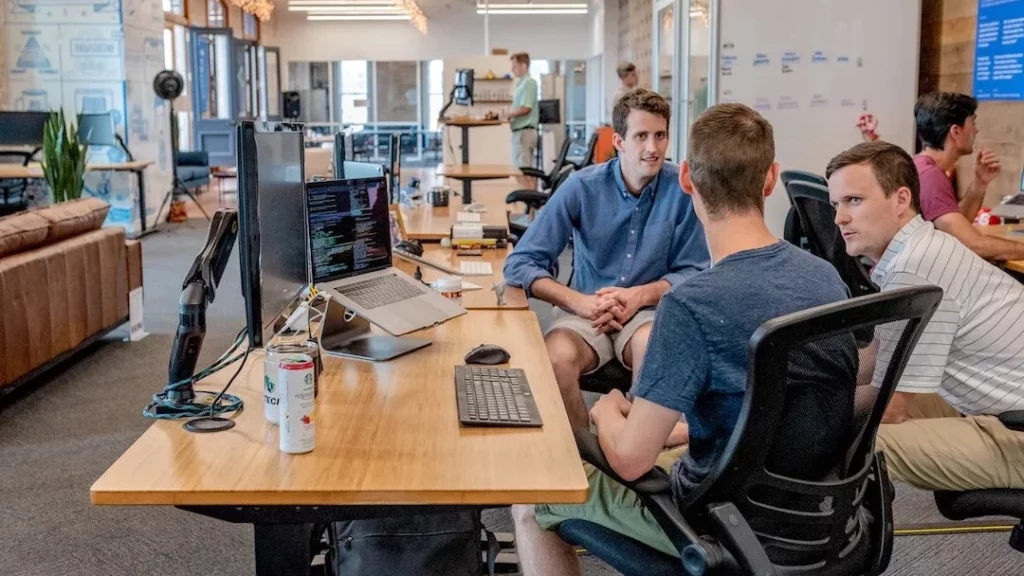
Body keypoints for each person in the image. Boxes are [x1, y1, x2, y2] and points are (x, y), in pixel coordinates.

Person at [511, 103, 857, 576]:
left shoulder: (691, 305)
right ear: (771, 178)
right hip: (821, 518)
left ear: (688, 178)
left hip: (717, 523)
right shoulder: (826, 279)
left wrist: (607, 411)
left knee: (529, 503)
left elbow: (632, 462)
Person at [502, 89, 709, 431]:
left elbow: (696, 272)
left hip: (647, 313)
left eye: (660, 136)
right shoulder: (581, 187)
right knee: (556, 358)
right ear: (618, 141)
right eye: (641, 136)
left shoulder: (682, 190)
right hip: (586, 311)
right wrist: (579, 303)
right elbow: (520, 263)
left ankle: (636, 455)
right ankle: (587, 458)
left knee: (653, 349)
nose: (653, 148)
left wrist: (638, 296)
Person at [826, 140, 1024, 492]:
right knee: (836, 410)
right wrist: (802, 386)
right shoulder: (919, 250)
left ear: (901, 199)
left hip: (1014, 433)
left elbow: (892, 408)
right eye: (836, 204)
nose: (840, 218)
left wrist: (790, 414)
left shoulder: (916, 267)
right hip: (999, 410)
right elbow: (878, 355)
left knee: (861, 440)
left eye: (854, 200)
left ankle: (822, 545)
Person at [912, 92, 1024, 260]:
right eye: (973, 122)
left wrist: (980, 183)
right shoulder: (930, 177)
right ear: (956, 131)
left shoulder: (921, 166)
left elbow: (956, 228)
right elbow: (973, 244)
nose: (976, 130)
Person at [506, 52, 539, 188]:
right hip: (520, 132)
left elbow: (526, 108)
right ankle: (530, 206)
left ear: (523, 65)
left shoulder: (528, 83)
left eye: (515, 66)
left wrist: (509, 114)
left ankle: (531, 206)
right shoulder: (521, 84)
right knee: (522, 171)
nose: (512, 70)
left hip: (525, 133)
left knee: (523, 172)